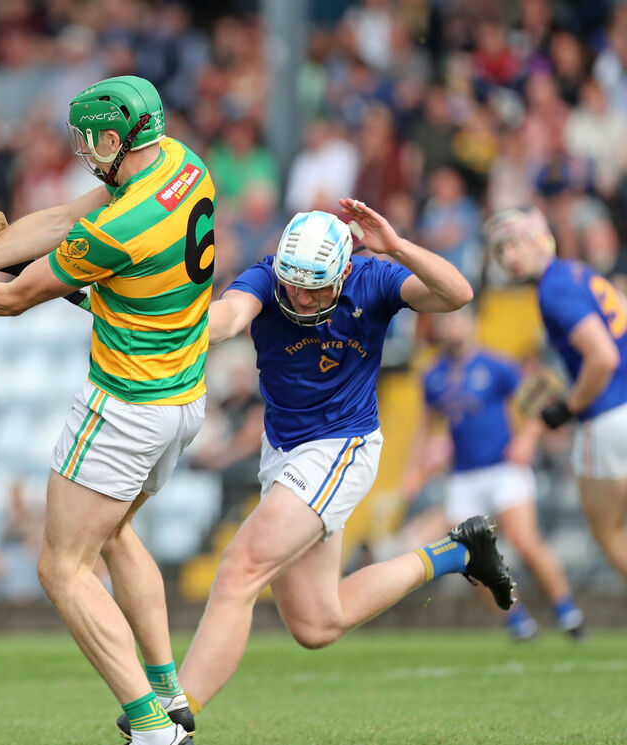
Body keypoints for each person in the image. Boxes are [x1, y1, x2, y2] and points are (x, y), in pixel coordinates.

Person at [0, 75, 211, 745]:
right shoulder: (180, 166)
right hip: (182, 400)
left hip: (124, 404)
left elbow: (23, 293)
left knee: (61, 565)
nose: (83, 152)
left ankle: (150, 727)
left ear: (116, 138)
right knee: (114, 536)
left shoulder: (124, 224)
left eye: (89, 141)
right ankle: (170, 694)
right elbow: (56, 222)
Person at [174, 203, 513, 723]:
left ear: (344, 271)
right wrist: (179, 323)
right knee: (316, 625)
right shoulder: (267, 279)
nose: (301, 297)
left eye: (315, 287)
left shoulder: (373, 278)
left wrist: (397, 246)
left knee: (239, 570)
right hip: (283, 453)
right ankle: (457, 554)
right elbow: (228, 317)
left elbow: (457, 294)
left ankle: (173, 719)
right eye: (292, 284)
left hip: (340, 447)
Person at [404, 306, 585, 640]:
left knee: (526, 542)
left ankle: (568, 612)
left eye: (458, 318)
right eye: (446, 319)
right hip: (463, 477)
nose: (452, 325)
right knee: (472, 560)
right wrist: (414, 471)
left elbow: (541, 392)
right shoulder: (433, 375)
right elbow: (425, 427)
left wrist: (527, 439)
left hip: (503, 469)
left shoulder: (496, 364)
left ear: (472, 323)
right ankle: (518, 622)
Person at [485, 206, 627, 584]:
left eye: (515, 244)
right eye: (501, 250)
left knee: (610, 533)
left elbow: (603, 357)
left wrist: (569, 407)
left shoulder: (553, 288)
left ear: (538, 238)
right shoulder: (580, 272)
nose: (509, 257)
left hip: (608, 418)